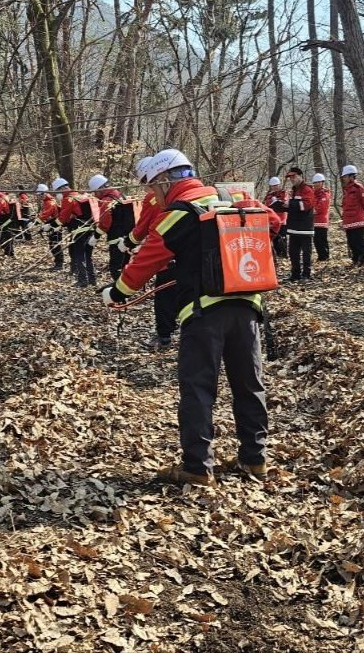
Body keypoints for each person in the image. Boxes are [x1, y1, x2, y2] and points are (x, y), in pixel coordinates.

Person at [100, 148, 269, 487]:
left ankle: (196, 467)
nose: (153, 196)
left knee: (198, 388)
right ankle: (254, 460)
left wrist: (116, 292)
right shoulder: (231, 197)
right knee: (249, 385)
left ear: (164, 180)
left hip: (203, 311)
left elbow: (147, 258)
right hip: (248, 305)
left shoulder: (180, 212)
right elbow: (272, 223)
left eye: (152, 188)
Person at [118, 156, 181, 350]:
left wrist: (127, 242)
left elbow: (142, 228)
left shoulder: (152, 199)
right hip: (192, 258)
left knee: (163, 298)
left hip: (165, 257)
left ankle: (163, 336)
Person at [92, 174, 136, 281]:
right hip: (128, 239)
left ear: (100, 189)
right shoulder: (121, 196)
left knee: (115, 268)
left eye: (95, 192)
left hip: (116, 240)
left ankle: (119, 294)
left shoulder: (107, 201)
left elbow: (105, 223)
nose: (95, 195)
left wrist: (95, 236)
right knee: (125, 266)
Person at [54, 177, 97, 287]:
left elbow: (63, 217)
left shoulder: (68, 198)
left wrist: (52, 225)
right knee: (88, 255)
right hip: (91, 229)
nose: (56, 195)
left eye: (56, 192)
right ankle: (92, 279)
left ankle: (83, 280)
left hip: (79, 231)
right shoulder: (81, 195)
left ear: (60, 189)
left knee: (79, 255)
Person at [285, 166, 315, 282]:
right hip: (294, 227)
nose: (292, 179)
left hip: (305, 227)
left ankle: (306, 274)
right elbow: (294, 207)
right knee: (293, 252)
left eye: (294, 177)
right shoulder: (294, 191)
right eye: (290, 178)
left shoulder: (307, 190)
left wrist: (290, 205)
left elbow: (306, 205)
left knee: (306, 253)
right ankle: (295, 274)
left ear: (300, 176)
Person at [340, 164, 364, 265]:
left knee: (358, 241)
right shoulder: (346, 190)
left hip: (358, 220)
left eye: (345, 176)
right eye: (343, 177)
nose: (344, 179)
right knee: (351, 242)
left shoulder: (358, 188)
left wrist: (363, 215)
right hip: (349, 221)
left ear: (351, 176)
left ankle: (362, 259)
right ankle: (355, 259)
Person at [36, 182, 63, 270]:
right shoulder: (46, 202)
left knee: (55, 245)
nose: (39, 197)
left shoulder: (50, 202)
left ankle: (59, 264)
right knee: (52, 245)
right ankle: (57, 263)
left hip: (55, 226)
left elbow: (46, 214)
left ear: (44, 193)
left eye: (40, 195)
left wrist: (36, 222)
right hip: (50, 225)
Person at [263, 177, 289, 258]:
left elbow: (285, 201)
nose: (275, 187)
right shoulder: (269, 195)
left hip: (282, 220)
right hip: (273, 221)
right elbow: (267, 204)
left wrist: (278, 201)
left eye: (276, 185)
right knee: (275, 238)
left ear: (279, 185)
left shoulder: (284, 193)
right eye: (273, 186)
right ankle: (278, 254)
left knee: (283, 238)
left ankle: (284, 255)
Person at [312, 172, 331, 261]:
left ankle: (325, 257)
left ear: (322, 183)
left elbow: (321, 207)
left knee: (322, 240)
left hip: (322, 221)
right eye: (315, 183)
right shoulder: (313, 194)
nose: (316, 184)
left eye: (318, 182)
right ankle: (321, 256)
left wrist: (312, 211)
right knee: (316, 241)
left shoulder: (325, 194)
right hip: (314, 222)